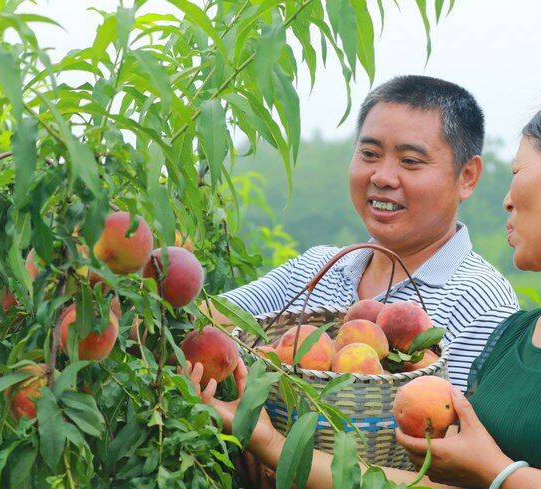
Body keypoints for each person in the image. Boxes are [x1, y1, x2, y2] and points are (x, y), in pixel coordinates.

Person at [190, 92, 541, 489]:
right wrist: (270, 442)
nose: (507, 199)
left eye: (518, 172)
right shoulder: (517, 336)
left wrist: (498, 473)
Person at [208, 75, 520, 392]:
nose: (382, 177)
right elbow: (206, 322)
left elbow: (459, 435)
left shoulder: (480, 302)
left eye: (410, 161)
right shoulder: (316, 270)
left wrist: (270, 442)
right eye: (369, 154)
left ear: (466, 177)